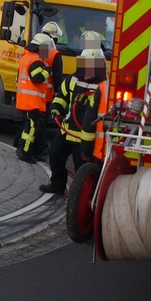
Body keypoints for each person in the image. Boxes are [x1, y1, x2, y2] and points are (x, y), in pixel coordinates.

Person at [40, 46, 109, 194]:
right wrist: (55, 109)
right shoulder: (73, 79)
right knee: (55, 155)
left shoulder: (102, 86)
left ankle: (79, 198)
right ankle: (57, 185)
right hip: (67, 130)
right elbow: (62, 96)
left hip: (85, 137)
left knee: (82, 171)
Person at [16, 32, 54, 162]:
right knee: (31, 128)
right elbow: (36, 78)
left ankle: (24, 150)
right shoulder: (35, 60)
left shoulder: (27, 57)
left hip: (26, 100)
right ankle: (25, 153)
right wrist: (48, 71)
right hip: (31, 102)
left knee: (28, 127)